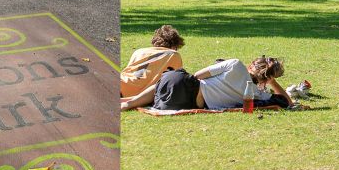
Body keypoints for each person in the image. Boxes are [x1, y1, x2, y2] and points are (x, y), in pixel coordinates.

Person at [121, 55, 290, 111]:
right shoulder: (257, 94)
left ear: (252, 64)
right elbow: (287, 101)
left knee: (169, 82)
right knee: (168, 92)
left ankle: (131, 102)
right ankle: (133, 101)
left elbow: (198, 75)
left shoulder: (235, 64)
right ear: (268, 78)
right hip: (187, 103)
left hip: (179, 82)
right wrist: (273, 83)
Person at [121, 25, 187, 98]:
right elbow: (175, 79)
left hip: (122, 83)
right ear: (174, 45)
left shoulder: (139, 51)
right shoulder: (173, 54)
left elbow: (128, 71)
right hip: (139, 93)